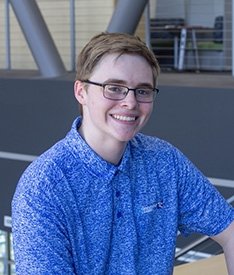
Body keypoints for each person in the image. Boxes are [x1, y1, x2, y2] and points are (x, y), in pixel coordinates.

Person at [12, 32, 234, 275]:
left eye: (142, 90)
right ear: (81, 91)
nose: (130, 102)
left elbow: (229, 229)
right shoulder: (43, 188)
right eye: (114, 88)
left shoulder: (164, 161)